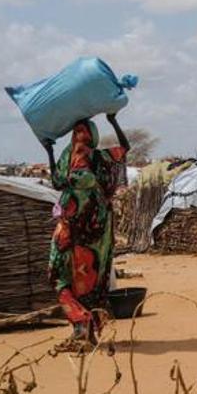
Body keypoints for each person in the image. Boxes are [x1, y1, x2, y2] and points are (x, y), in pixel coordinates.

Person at [44, 114, 129, 349]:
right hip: (99, 231)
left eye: (80, 133)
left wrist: (50, 151)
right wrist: (113, 121)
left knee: (59, 275)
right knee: (92, 280)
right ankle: (86, 332)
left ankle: (82, 326)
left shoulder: (71, 158)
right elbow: (125, 148)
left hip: (73, 229)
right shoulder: (102, 158)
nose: (79, 138)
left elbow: (58, 182)